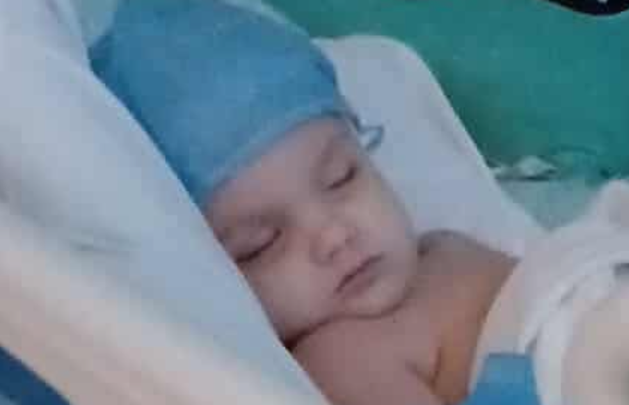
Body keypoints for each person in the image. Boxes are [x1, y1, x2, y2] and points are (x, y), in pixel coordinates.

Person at [91, 0, 515, 404]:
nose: (335, 236)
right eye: (262, 244)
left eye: (341, 177)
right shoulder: (342, 358)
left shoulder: (446, 248)